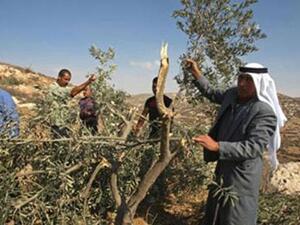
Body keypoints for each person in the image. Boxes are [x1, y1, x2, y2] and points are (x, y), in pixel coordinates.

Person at [185, 59, 286, 225]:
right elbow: (212, 92)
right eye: (241, 78)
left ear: (259, 84)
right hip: (224, 167)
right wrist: (196, 73)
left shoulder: (263, 112)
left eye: (249, 80)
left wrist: (217, 146)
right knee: (216, 213)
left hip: (242, 174)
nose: (242, 83)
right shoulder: (232, 95)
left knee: (236, 216)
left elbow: (253, 148)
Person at [47, 69, 96, 138]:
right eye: (65, 79)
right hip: (56, 123)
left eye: (69, 80)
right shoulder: (53, 88)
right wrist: (89, 81)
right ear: (59, 77)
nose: (67, 82)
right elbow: (73, 92)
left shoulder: (64, 87)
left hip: (64, 123)